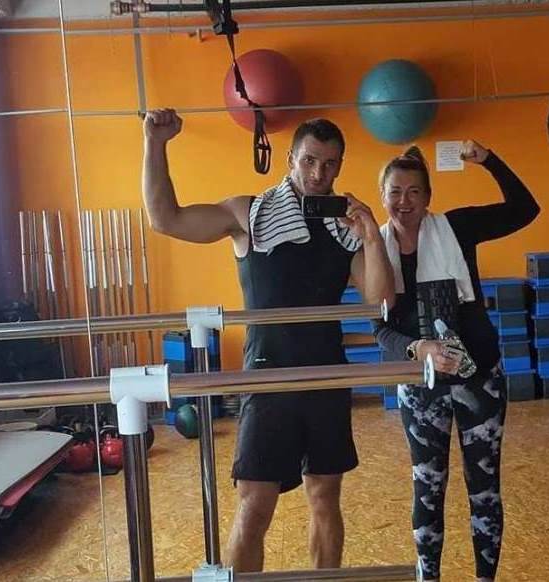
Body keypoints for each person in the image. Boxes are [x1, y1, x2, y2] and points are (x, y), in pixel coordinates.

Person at [141, 109, 394, 572]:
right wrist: (155, 144)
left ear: (339, 166)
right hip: (267, 375)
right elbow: (165, 219)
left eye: (329, 164)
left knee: (324, 496)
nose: (318, 174)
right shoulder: (249, 213)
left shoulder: (345, 228)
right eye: (309, 161)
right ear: (290, 159)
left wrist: (372, 238)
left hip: (325, 376)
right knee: (255, 502)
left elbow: (380, 301)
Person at [372, 140, 539, 581]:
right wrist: (417, 348)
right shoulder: (375, 248)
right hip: (420, 384)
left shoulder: (456, 228)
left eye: (414, 191)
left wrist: (489, 160)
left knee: (484, 489)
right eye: (395, 191)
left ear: (428, 196)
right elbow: (380, 329)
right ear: (382, 195)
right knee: (427, 489)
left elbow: (525, 209)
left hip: (479, 378)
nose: (404, 201)